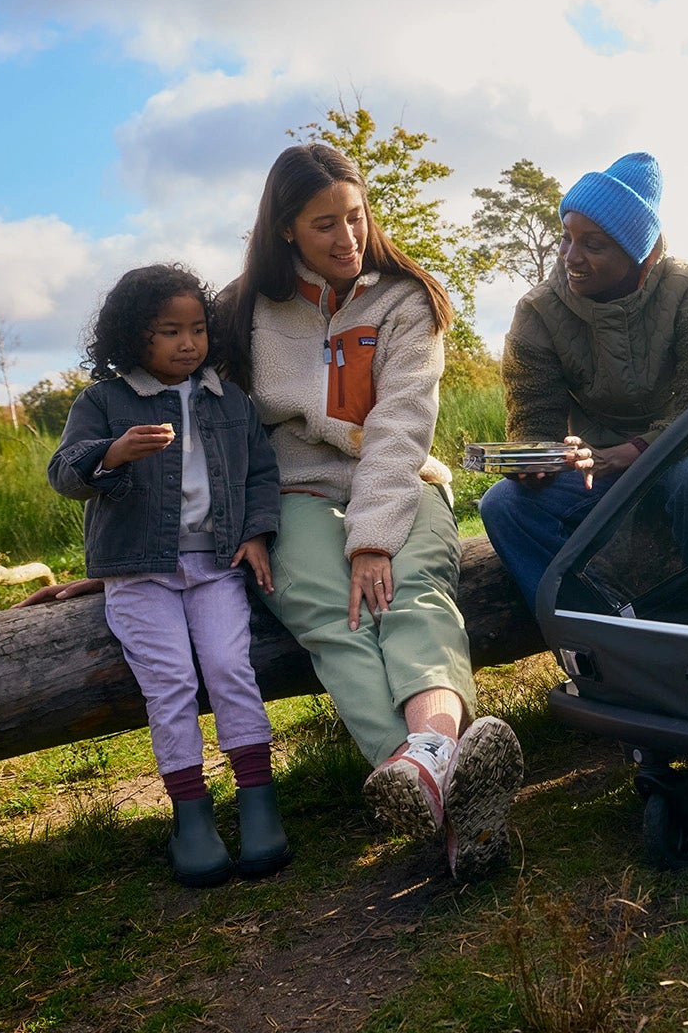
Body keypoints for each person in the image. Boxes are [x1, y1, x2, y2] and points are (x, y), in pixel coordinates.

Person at [213, 142, 522, 882]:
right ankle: (447, 800)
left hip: (399, 480)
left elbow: (401, 425)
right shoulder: (240, 313)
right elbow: (223, 436)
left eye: (356, 218)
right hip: (294, 495)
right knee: (337, 619)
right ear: (285, 228)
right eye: (325, 225)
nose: (348, 238)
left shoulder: (406, 298)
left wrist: (374, 539)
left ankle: (429, 761)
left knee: (410, 595)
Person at [47, 264, 287, 888]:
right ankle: (192, 818)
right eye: (169, 331)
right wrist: (111, 453)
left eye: (198, 329)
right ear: (134, 337)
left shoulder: (229, 401)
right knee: (172, 682)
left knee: (231, 669)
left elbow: (261, 474)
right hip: (138, 572)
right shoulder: (103, 401)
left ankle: (259, 806)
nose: (188, 343)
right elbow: (65, 471)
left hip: (215, 564)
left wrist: (257, 534)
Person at [479, 151, 688, 609]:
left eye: (593, 245)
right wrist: (538, 459)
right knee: (503, 504)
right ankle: (591, 626)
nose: (570, 257)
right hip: (595, 463)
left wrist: (632, 453)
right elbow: (532, 411)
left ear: (643, 253)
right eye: (566, 238)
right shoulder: (539, 310)